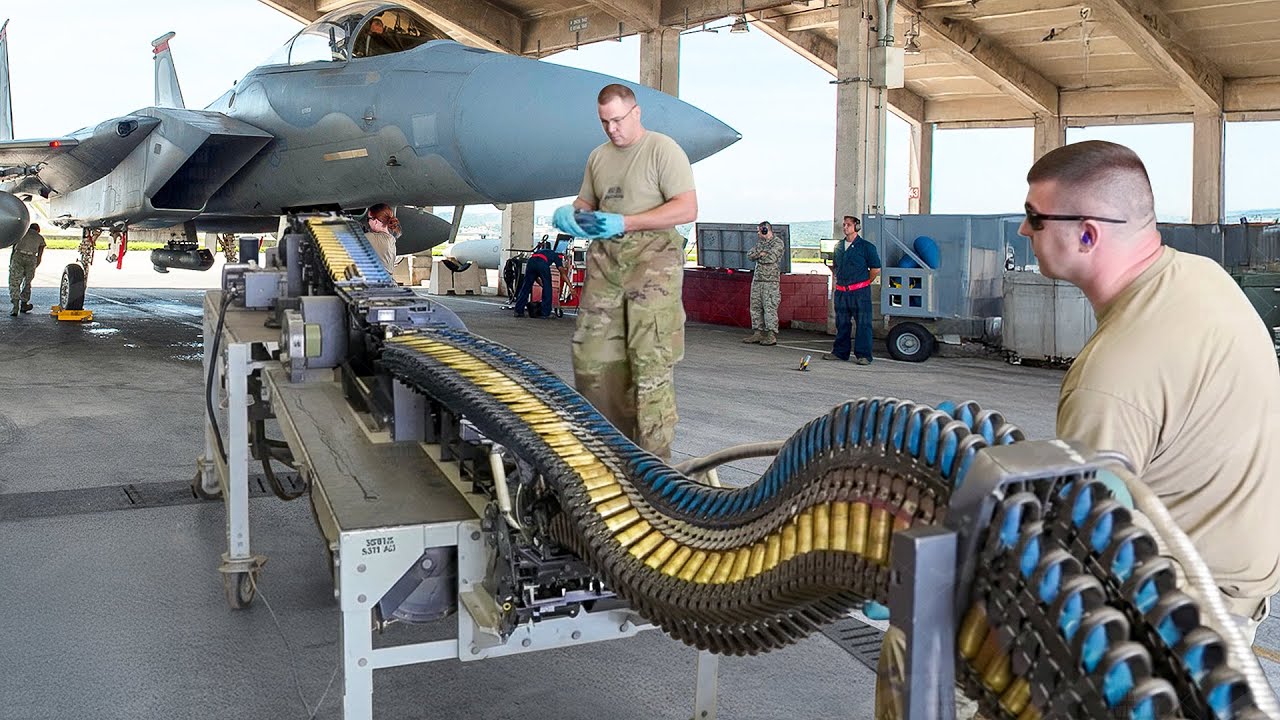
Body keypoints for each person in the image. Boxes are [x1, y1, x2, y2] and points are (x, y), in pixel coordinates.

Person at [1022, 139, 1280, 643]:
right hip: (1234, 588)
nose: (1023, 229)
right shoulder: (1202, 277)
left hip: (1174, 625)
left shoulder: (1111, 375)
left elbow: (1080, 554)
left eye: (1034, 216)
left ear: (1087, 236)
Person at [552, 83, 697, 461]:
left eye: (617, 120)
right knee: (592, 359)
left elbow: (686, 208)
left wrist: (626, 222)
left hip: (653, 260)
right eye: (604, 122)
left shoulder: (662, 150)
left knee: (648, 363)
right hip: (606, 261)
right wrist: (575, 214)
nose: (612, 129)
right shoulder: (598, 158)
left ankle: (653, 466)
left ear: (636, 113)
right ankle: (608, 454)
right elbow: (586, 201)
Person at [823, 215, 880, 364]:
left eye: (848, 224)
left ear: (857, 227)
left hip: (860, 292)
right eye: (844, 225)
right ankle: (840, 352)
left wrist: (865, 282)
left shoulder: (867, 247)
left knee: (863, 323)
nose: (845, 227)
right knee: (842, 323)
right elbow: (836, 267)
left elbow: (875, 268)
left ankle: (864, 355)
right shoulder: (839, 247)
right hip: (842, 292)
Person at [743, 221, 784, 346]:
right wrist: (760, 254)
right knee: (755, 306)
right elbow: (750, 255)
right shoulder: (760, 244)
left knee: (769, 307)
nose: (758, 233)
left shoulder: (777, 243)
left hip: (770, 281)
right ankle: (757, 332)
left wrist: (760, 255)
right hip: (758, 280)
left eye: (760, 230)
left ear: (766, 230)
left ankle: (771, 334)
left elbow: (771, 258)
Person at [513, 240, 569, 318]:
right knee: (548, 288)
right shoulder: (556, 256)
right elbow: (562, 272)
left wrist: (541, 284)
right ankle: (545, 313)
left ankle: (518, 311)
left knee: (526, 287)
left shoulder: (543, 251)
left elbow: (535, 276)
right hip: (542, 263)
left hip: (531, 261)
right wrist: (570, 286)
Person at [9, 222, 44, 316]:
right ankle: (24, 304)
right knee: (27, 282)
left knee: (14, 281)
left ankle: (15, 306)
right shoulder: (40, 237)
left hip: (18, 256)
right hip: (31, 258)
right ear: (38, 230)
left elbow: (14, 248)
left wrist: (11, 262)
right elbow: (40, 253)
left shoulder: (21, 234)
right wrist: (37, 262)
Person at [364, 203, 400, 272]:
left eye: (368, 219)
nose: (368, 222)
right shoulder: (391, 239)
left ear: (376, 221)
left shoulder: (373, 238)